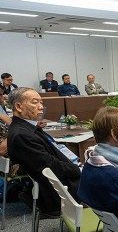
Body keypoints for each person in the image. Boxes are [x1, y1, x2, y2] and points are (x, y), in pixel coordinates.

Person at [8, 87, 81, 215]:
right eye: (35, 102)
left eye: (41, 102)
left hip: (62, 181)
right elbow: (51, 166)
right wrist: (78, 169)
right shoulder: (22, 135)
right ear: (18, 107)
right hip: (60, 192)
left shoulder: (27, 127)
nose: (41, 106)